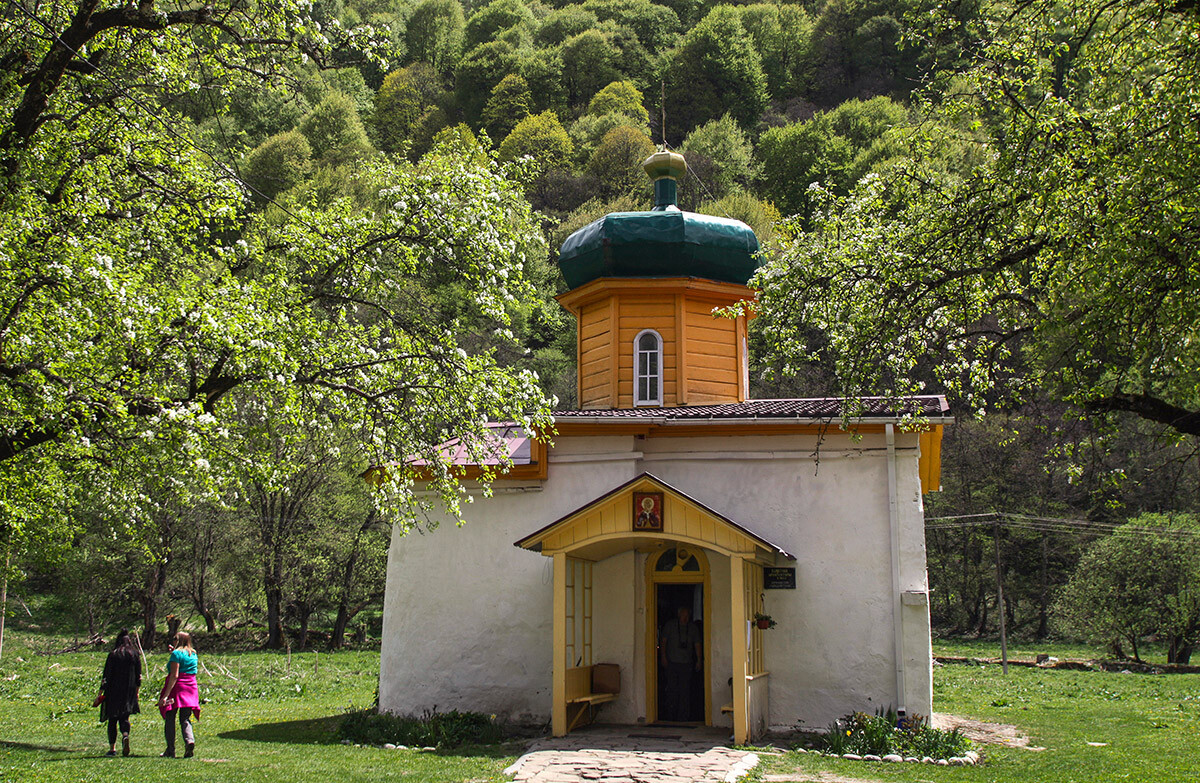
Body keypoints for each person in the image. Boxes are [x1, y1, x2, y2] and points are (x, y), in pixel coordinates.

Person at [96, 630, 142, 757]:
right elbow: (139, 676)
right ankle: (125, 735)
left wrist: (100, 693)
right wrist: (137, 692)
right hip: (129, 690)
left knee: (112, 719)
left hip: (113, 690)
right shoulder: (135, 654)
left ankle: (112, 748)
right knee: (124, 717)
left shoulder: (113, 655)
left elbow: (106, 676)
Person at [158, 631, 201, 758]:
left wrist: (166, 695)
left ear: (179, 640)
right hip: (191, 687)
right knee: (185, 717)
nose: (173, 641)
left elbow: (174, 675)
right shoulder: (193, 653)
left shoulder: (177, 654)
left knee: (170, 716)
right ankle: (189, 740)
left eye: (175, 638)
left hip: (178, 687)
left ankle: (170, 749)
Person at [659, 605, 701, 721]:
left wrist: (699, 660)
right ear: (678, 615)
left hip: (686, 663)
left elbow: (697, 644)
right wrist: (663, 657)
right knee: (672, 689)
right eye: (683, 615)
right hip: (672, 662)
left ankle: (684, 716)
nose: (685, 618)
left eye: (687, 616)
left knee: (685, 691)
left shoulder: (692, 628)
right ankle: (670, 715)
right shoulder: (670, 626)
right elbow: (663, 642)